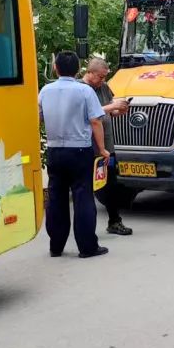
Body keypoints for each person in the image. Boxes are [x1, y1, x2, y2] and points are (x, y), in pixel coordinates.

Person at [38, 51, 110, 259]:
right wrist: (103, 149)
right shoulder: (84, 91)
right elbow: (96, 121)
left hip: (54, 150)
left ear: (55, 68)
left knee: (56, 198)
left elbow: (39, 117)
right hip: (79, 150)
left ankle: (56, 246)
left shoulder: (45, 90)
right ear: (79, 70)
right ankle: (87, 247)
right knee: (83, 197)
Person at [82, 57, 132, 235]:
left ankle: (114, 221)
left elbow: (110, 110)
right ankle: (87, 228)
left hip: (107, 147)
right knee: (88, 186)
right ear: (89, 73)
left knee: (111, 184)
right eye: (100, 77)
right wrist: (111, 107)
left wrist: (119, 110)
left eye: (104, 77)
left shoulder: (103, 88)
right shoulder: (82, 90)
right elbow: (91, 114)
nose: (102, 81)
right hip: (90, 147)